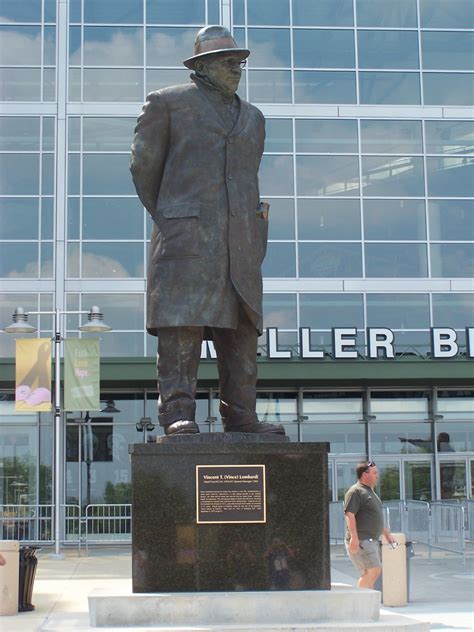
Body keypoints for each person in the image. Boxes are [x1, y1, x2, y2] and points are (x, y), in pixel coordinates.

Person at [130, 25, 284, 437]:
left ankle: (241, 415)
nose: (238, 68)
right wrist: (175, 217)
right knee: (182, 328)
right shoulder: (167, 104)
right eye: (229, 61)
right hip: (187, 240)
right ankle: (177, 412)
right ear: (202, 66)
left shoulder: (253, 118)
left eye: (241, 62)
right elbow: (144, 170)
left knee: (241, 332)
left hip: (241, 244)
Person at [343, 461, 396, 589]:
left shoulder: (370, 492)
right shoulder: (356, 491)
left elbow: (375, 518)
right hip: (362, 540)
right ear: (365, 474)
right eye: (375, 473)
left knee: (370, 573)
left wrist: (387, 535)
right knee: (374, 571)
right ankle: (360, 604)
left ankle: (366, 604)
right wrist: (354, 538)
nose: (377, 476)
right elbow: (349, 515)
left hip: (371, 541)